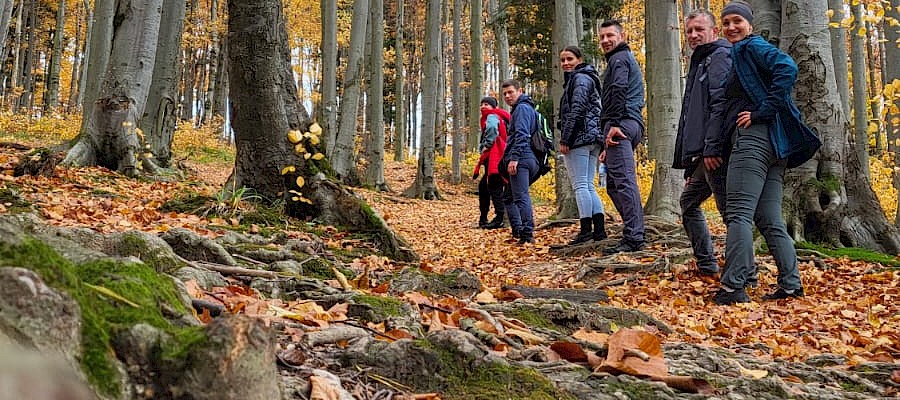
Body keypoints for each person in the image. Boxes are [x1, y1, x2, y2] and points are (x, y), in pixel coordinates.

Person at [712, 1, 822, 305]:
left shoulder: (751, 46)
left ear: (749, 24)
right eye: (726, 23)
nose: (731, 27)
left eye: (737, 21)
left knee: (738, 214)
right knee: (769, 218)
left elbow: (787, 68)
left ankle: (734, 286)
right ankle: (791, 284)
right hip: (775, 147)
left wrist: (762, 111)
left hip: (756, 141)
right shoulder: (743, 52)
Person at [673, 10, 732, 276]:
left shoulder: (720, 56)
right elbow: (691, 115)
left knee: (730, 212)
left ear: (714, 31)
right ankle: (707, 264)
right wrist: (689, 163)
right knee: (688, 203)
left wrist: (712, 147)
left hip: (716, 151)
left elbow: (720, 103)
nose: (694, 35)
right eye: (689, 31)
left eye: (699, 29)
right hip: (703, 154)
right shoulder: (700, 62)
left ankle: (742, 272)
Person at [598, 20, 646, 255]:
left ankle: (635, 237)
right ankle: (633, 229)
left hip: (622, 123)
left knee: (624, 182)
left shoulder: (619, 58)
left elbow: (618, 89)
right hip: (624, 124)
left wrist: (614, 124)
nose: (606, 40)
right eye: (602, 37)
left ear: (622, 35)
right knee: (614, 185)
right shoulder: (620, 59)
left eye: (610, 35)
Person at [557, 45, 607, 245]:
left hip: (580, 138)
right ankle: (599, 231)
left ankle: (586, 230)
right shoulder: (588, 79)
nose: (566, 63)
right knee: (588, 185)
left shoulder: (580, 79)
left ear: (579, 59)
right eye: (562, 60)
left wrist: (566, 138)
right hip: (593, 138)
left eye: (569, 59)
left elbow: (577, 109)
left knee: (580, 186)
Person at [500, 79, 541, 244]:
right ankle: (518, 230)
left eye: (511, 92)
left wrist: (514, 158)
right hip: (527, 158)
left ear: (520, 91)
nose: (508, 96)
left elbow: (522, 135)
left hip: (523, 158)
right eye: (505, 94)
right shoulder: (522, 108)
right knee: (509, 197)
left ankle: (527, 234)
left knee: (520, 196)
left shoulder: (522, 109)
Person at [472, 96, 511, 229]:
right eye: (482, 104)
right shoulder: (502, 117)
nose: (483, 107)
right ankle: (483, 218)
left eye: (487, 104)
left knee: (494, 186)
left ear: (493, 107)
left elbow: (493, 129)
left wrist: (486, 146)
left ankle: (499, 218)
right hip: (500, 155)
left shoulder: (492, 116)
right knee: (484, 187)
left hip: (495, 156)